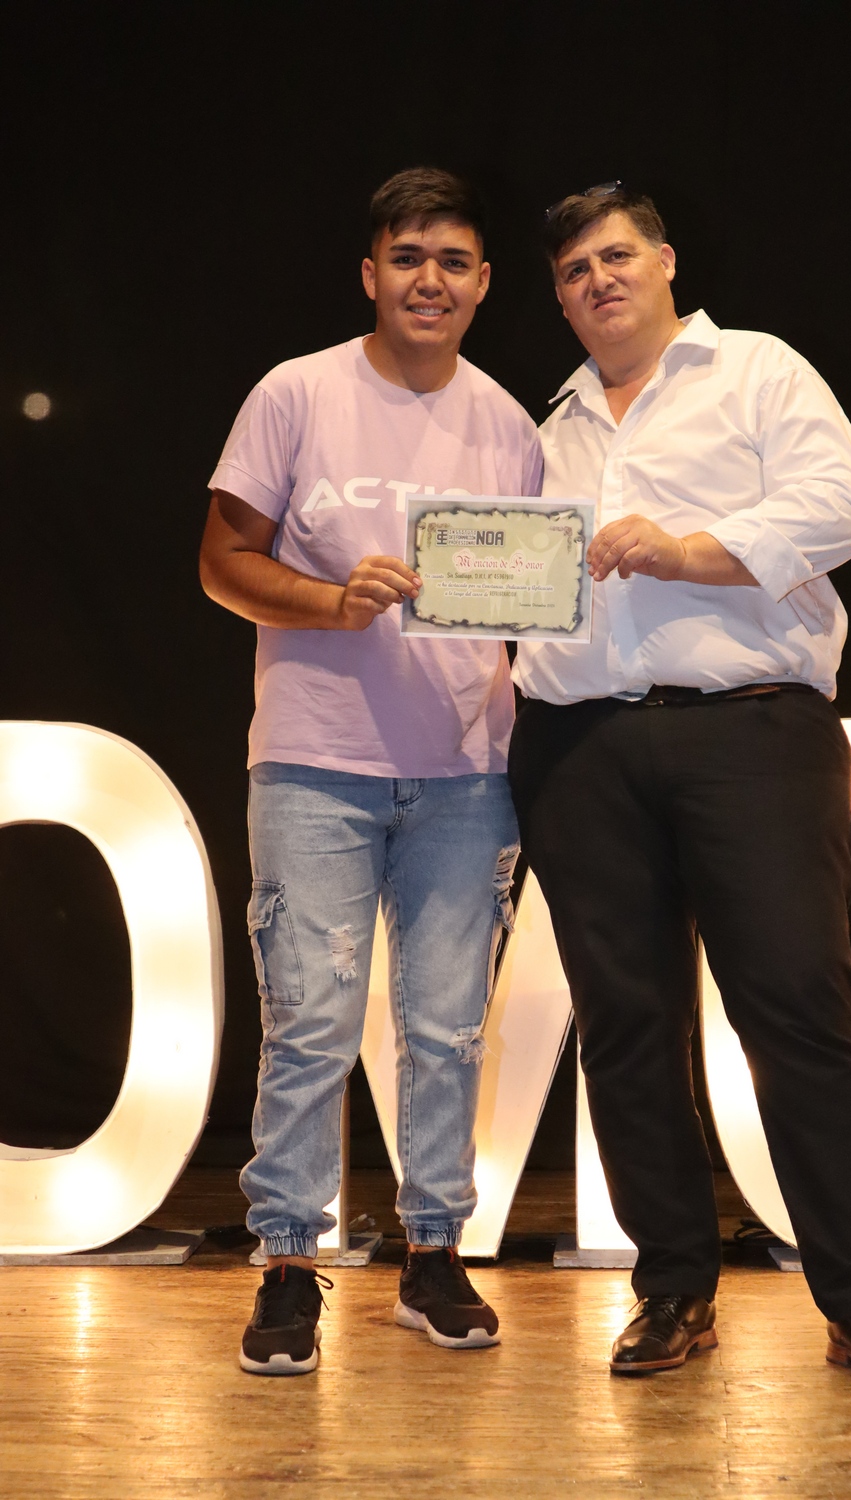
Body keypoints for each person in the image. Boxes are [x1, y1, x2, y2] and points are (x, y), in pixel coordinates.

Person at [508, 183, 851, 1390]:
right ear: (558, 299)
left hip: (751, 732)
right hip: (579, 748)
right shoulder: (543, 428)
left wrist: (686, 550)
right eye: (574, 271)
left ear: (664, 262)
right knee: (624, 1026)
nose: (598, 279)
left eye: (616, 255)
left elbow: (838, 508)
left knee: (796, 1009)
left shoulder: (757, 370)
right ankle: (671, 1292)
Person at [200, 166, 541, 1375]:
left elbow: (537, 601)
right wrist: (331, 601)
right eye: (407, 258)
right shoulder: (295, 391)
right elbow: (221, 562)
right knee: (311, 1027)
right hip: (314, 764)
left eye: (451, 261)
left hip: (466, 772)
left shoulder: (511, 426)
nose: (428, 280)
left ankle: (433, 1254)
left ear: (483, 283)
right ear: (369, 274)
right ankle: (289, 1264)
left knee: (446, 1032)